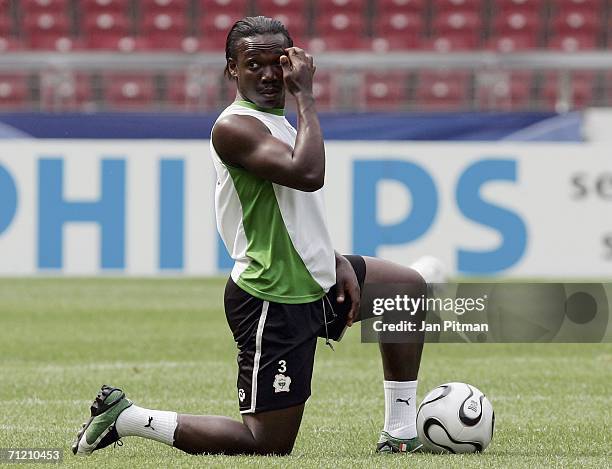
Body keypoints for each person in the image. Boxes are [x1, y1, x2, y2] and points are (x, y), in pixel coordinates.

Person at [72, 16, 442, 457]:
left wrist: (332, 258)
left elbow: (292, 210)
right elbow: (308, 174)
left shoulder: (279, 123)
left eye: (277, 63)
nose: (269, 75)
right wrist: (305, 95)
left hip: (313, 276)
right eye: (254, 64)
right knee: (266, 443)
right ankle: (129, 417)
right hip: (274, 296)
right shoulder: (235, 127)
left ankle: (400, 433)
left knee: (405, 288)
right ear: (232, 68)